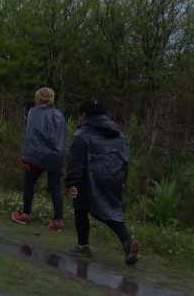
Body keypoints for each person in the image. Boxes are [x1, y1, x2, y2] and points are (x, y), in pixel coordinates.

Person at [66, 100, 140, 265]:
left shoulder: (82, 134)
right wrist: (121, 178)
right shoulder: (118, 133)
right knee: (112, 211)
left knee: (80, 208)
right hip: (113, 177)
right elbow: (124, 158)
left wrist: (72, 182)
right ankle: (127, 243)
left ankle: (83, 245)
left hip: (87, 178)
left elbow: (75, 162)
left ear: (84, 115)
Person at [12, 87, 67, 230]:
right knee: (55, 187)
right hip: (55, 156)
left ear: (38, 98)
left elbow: (30, 136)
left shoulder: (33, 112)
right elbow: (62, 138)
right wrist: (61, 160)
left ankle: (26, 213)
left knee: (29, 184)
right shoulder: (59, 115)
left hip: (36, 155)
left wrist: (26, 157)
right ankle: (58, 220)